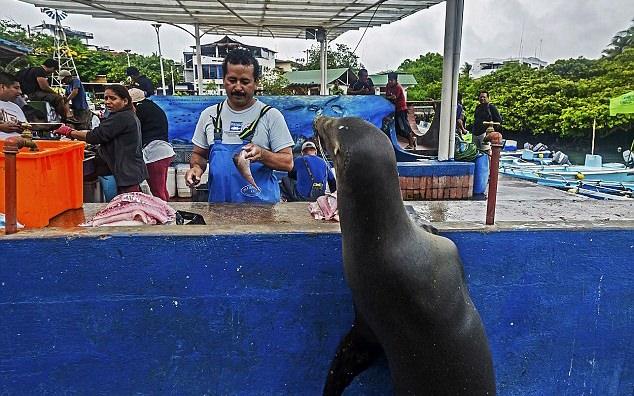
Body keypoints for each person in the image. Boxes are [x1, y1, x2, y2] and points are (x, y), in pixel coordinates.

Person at [185, 48, 294, 203]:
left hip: (262, 211)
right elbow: (199, 154)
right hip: (219, 209)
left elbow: (288, 162)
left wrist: (263, 155)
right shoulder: (209, 115)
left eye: (245, 82)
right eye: (232, 80)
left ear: (256, 82)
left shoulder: (271, 116)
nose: (237, 87)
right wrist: (196, 168)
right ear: (223, 80)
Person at [54, 84, 148, 194]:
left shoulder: (121, 117)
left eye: (113, 98)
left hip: (126, 171)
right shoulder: (126, 115)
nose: (108, 102)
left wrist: (69, 132)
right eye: (106, 98)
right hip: (129, 169)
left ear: (125, 101)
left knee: (127, 206)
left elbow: (95, 136)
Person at [129, 88, 175, 201]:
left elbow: (134, 131)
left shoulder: (140, 110)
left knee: (157, 190)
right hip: (164, 150)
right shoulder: (152, 106)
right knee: (162, 189)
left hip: (155, 152)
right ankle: (167, 212)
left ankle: (164, 215)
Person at [385, 72, 416, 149]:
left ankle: (411, 143)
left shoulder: (398, 87)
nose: (390, 82)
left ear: (396, 80)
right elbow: (387, 96)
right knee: (397, 129)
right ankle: (412, 140)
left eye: (392, 80)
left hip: (401, 109)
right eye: (389, 80)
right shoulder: (388, 86)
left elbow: (393, 97)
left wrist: (388, 97)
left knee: (404, 127)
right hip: (394, 110)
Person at [0, 71, 26, 139]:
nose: (20, 92)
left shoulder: (16, 107)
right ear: (2, 87)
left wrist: (22, 128)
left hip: (20, 146)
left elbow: (26, 128)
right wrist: (1, 127)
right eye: (16, 88)